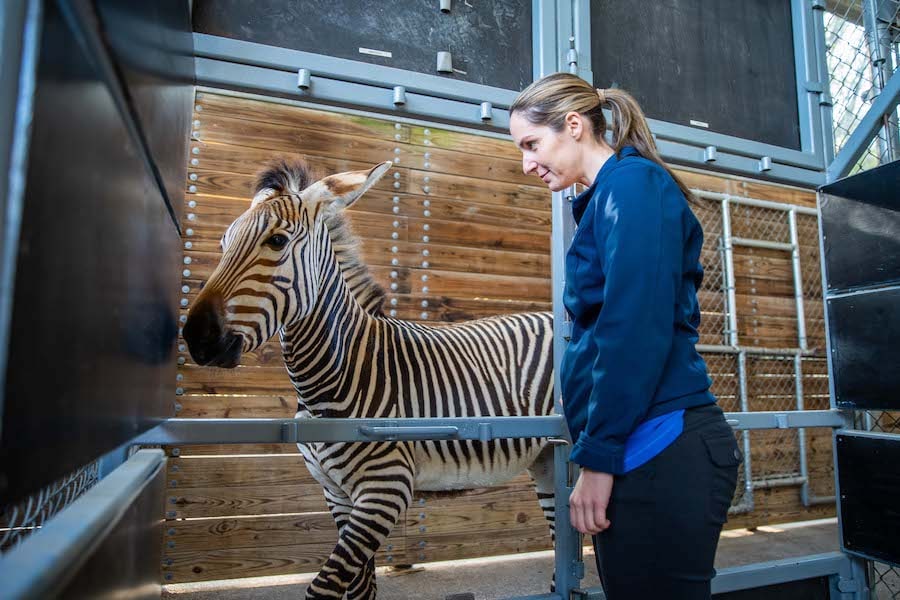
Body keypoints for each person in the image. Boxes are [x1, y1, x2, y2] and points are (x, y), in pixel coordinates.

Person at [509, 72, 742, 599]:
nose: (526, 163)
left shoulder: (634, 186)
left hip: (660, 446)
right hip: (637, 446)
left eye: (531, 144)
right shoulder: (606, 196)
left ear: (573, 125)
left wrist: (599, 458)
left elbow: (632, 326)